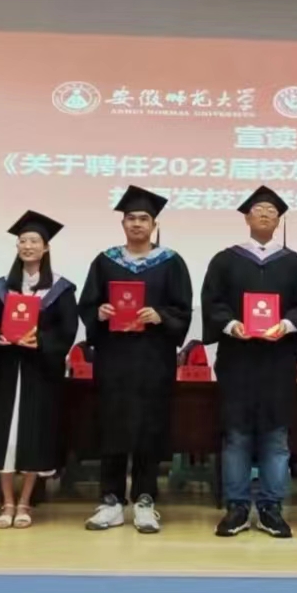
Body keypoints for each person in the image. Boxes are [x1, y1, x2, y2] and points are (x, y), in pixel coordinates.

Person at [200, 186, 297, 539]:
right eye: (258, 209)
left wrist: (286, 325)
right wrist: (230, 324)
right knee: (236, 436)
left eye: (271, 210)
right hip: (237, 361)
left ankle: (271, 507)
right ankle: (237, 507)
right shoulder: (225, 260)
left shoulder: (294, 263)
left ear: (278, 219)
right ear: (247, 217)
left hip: (277, 362)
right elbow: (212, 302)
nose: (265, 214)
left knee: (276, 436)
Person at [79, 187, 192, 535]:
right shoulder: (105, 261)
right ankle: (111, 501)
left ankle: (145, 500)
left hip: (153, 358)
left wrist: (160, 316)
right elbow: (88, 305)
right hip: (114, 357)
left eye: (144, 218)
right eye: (131, 218)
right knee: (112, 426)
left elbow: (182, 309)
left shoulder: (171, 262)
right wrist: (99, 312)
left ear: (154, 224)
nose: (137, 223)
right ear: (123, 223)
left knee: (150, 427)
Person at [0, 211, 78, 530]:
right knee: (5, 438)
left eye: (34, 241)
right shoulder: (0, 287)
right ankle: (7, 502)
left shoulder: (61, 289)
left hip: (39, 373)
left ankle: (25, 502)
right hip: (6, 371)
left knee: (34, 435)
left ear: (46, 248)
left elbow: (67, 331)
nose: (28, 246)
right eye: (23, 241)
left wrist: (40, 341)